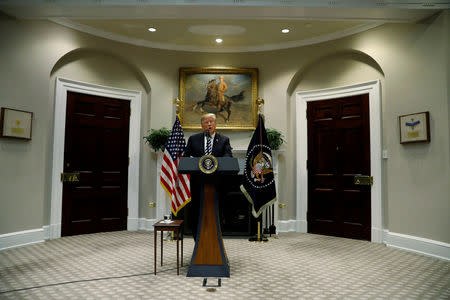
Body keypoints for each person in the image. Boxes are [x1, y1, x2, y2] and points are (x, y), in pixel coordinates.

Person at [183, 113, 232, 239]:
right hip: (198, 183)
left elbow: (228, 157)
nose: (209, 124)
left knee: (217, 211)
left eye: (211, 122)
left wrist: (217, 162)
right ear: (201, 125)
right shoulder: (193, 139)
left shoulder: (224, 140)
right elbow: (185, 158)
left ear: (215, 124)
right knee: (196, 212)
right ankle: (197, 240)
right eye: (206, 122)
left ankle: (217, 241)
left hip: (217, 183)